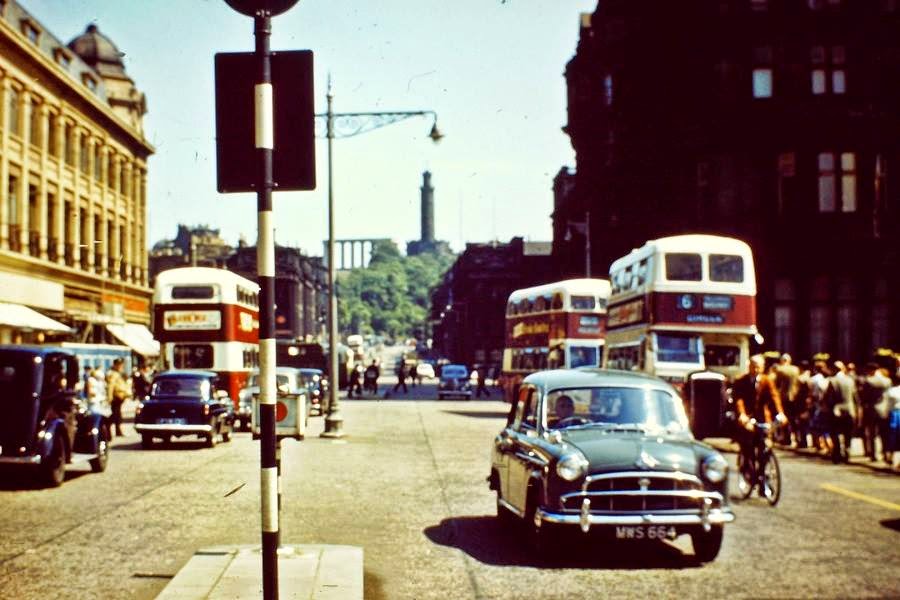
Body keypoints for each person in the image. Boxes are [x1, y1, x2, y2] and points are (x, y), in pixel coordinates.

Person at [733, 354, 787, 472]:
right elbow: (738, 399)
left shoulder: (767, 380)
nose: (756, 369)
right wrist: (742, 414)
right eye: (753, 367)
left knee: (765, 446)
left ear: (763, 367)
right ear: (749, 366)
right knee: (748, 445)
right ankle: (748, 468)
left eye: (758, 367)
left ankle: (762, 473)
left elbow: (774, 397)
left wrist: (780, 413)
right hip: (747, 417)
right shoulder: (740, 381)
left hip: (763, 417)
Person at [825, 360, 858, 463]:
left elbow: (828, 397)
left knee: (835, 432)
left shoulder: (832, 381)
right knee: (848, 432)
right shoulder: (850, 380)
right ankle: (847, 450)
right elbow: (855, 397)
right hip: (849, 409)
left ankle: (837, 452)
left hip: (836, 410)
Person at [859, 363, 891, 461]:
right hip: (884, 408)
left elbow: (864, 396)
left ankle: (873, 454)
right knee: (884, 433)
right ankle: (885, 454)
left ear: (871, 370)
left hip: (871, 409)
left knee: (871, 433)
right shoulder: (887, 380)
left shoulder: (868, 381)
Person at [106, 358, 131, 437]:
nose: (121, 366)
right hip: (115, 396)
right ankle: (107, 426)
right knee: (115, 415)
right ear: (115, 365)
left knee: (118, 415)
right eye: (120, 365)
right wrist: (110, 397)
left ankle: (118, 431)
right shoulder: (113, 374)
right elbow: (111, 386)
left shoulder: (118, 373)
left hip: (120, 396)